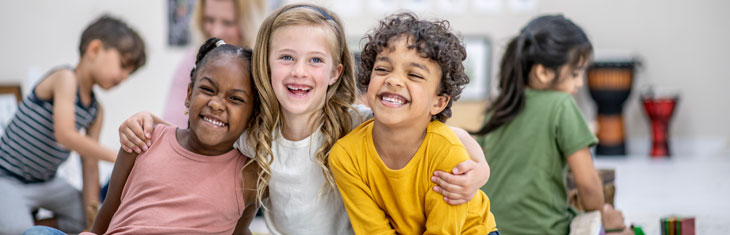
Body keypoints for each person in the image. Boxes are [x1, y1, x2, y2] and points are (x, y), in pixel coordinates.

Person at [118, 4, 491, 234]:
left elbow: (442, 133)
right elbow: (194, 132)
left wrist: (479, 170)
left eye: (315, 60)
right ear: (265, 65)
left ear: (334, 72)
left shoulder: (353, 122)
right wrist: (146, 121)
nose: (299, 71)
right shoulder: (253, 133)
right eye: (286, 58)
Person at [329, 12, 499, 235]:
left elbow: (443, 231)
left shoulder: (446, 151)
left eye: (415, 75)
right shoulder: (345, 155)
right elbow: (374, 231)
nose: (393, 79)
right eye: (382, 69)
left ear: (439, 102)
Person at [472, 15, 631, 234]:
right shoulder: (561, 104)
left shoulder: (496, 108)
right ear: (543, 72)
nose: (580, 83)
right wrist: (602, 218)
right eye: (575, 73)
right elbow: (587, 184)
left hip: (489, 229)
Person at [84, 38, 260, 234]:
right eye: (207, 90)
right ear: (188, 94)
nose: (216, 104)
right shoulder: (144, 140)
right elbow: (108, 211)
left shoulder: (250, 175)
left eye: (235, 99)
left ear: (253, 115)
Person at [0, 15, 146, 234]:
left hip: (47, 182)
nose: (124, 76)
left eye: (129, 73)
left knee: (89, 218)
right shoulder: (65, 78)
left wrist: (92, 222)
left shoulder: (95, 111)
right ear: (95, 49)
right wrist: (119, 156)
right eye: (123, 65)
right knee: (19, 231)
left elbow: (90, 165)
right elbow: (65, 135)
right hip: (8, 178)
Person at [161, 0, 266, 129]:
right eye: (209, 20)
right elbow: (173, 124)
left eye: (228, 23)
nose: (216, 32)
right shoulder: (192, 62)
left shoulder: (266, 69)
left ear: (249, 23)